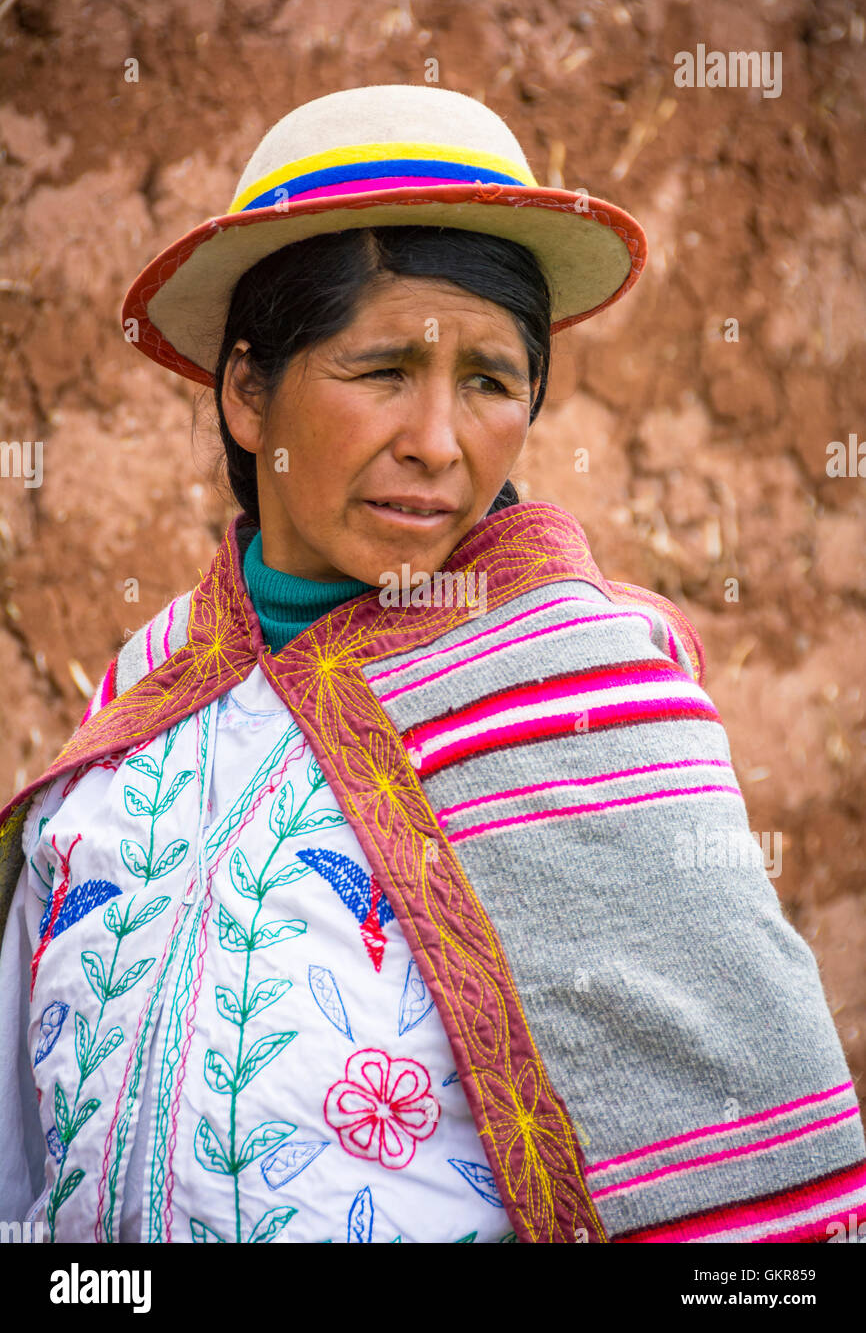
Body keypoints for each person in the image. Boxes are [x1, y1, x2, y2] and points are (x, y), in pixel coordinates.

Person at [0, 83, 863, 1245]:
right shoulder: (153, 687)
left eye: (491, 381)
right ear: (249, 392)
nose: (439, 442)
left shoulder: (587, 696)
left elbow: (750, 1190)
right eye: (382, 370)